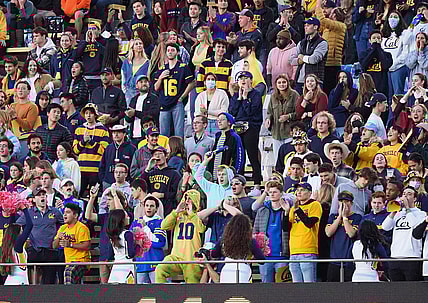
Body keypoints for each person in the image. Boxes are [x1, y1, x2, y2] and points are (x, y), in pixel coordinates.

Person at [155, 190, 206, 283]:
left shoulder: (200, 216)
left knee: (193, 287)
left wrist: (192, 214)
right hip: (176, 257)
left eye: (190, 199)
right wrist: (176, 212)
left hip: (192, 259)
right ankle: (163, 296)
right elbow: (164, 226)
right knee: (160, 269)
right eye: (186, 199)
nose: (187, 202)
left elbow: (201, 229)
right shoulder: (177, 215)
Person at [16, 186, 63, 284]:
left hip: (51, 250)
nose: (42, 197)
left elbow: (65, 224)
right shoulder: (29, 213)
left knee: (49, 282)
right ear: (33, 199)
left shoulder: (55, 212)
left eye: (43, 195)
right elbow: (17, 226)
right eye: (38, 195)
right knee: (33, 281)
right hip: (34, 250)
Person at [86, 186, 130, 284]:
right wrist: (92, 198)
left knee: (120, 287)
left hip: (118, 260)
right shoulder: (105, 216)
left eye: (109, 200)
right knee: (105, 288)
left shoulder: (125, 216)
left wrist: (115, 194)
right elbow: (88, 216)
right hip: (104, 257)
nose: (107, 203)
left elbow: (121, 213)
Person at [383, 186, 425, 281]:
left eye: (409, 194)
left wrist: (407, 208)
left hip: (412, 257)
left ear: (414, 198)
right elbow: (385, 227)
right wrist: (393, 212)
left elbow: (414, 225)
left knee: (411, 290)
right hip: (395, 256)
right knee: (396, 290)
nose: (405, 196)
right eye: (404, 194)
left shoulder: (420, 214)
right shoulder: (399, 213)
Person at [229, 71, 263, 188]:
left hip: (251, 127)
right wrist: (239, 98)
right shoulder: (235, 95)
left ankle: (257, 182)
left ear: (251, 80)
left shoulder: (256, 95)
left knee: (252, 154)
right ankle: (239, 180)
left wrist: (245, 99)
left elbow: (251, 112)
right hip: (238, 128)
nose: (243, 81)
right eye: (241, 78)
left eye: (246, 78)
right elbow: (232, 112)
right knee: (239, 155)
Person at [283, 182, 322, 283]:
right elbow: (285, 228)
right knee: (297, 285)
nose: (299, 192)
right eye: (298, 190)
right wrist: (286, 213)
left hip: (308, 249)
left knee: (309, 284)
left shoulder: (315, 205)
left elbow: (309, 223)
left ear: (309, 193)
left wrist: (297, 210)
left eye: (302, 190)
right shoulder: (293, 208)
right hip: (294, 251)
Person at [155, 43, 195, 138]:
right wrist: (160, 78)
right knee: (163, 134)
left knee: (179, 133)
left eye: (172, 50)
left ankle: (179, 152)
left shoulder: (183, 67)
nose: (170, 52)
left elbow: (192, 83)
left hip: (177, 103)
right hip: (164, 103)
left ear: (177, 52)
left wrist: (182, 97)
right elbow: (155, 87)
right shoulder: (162, 69)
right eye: (168, 50)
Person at [253, 181, 290, 282]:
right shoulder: (262, 211)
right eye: (270, 192)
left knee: (283, 287)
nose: (272, 194)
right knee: (266, 287)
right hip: (265, 256)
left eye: (275, 192)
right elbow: (255, 232)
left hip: (282, 255)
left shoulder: (287, 210)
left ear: (281, 193)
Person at [211, 214, 265, 283]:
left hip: (227, 269)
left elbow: (214, 253)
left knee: (225, 293)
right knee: (242, 293)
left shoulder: (224, 239)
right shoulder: (251, 241)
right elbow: (262, 260)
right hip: (243, 270)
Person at [325, 190, 362, 281]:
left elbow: (351, 234)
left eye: (346, 201)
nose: (344, 204)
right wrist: (339, 217)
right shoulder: (333, 216)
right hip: (334, 260)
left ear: (351, 203)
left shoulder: (357, 217)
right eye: (341, 201)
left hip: (348, 260)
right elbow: (328, 233)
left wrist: (345, 218)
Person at [130, 194, 166, 284]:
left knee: (158, 293)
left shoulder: (161, 222)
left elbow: (159, 243)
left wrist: (145, 228)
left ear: (156, 209)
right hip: (140, 265)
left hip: (155, 264)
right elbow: (130, 242)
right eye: (147, 206)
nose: (149, 208)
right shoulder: (136, 222)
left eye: (152, 206)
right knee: (141, 295)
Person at [314, 0, 346, 95]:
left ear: (335, 16)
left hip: (333, 63)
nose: (329, 14)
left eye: (332, 13)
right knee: (324, 88)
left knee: (331, 89)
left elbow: (323, 21)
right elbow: (319, 24)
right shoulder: (329, 27)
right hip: (325, 61)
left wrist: (318, 6)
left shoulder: (340, 26)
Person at [53, 203, 90, 284]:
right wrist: (58, 237)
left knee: (69, 272)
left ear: (75, 215)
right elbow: (54, 246)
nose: (64, 215)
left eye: (68, 212)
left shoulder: (82, 228)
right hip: (68, 262)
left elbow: (87, 246)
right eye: (64, 212)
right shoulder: (63, 228)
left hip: (81, 261)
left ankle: (69, 295)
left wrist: (70, 245)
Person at [265, 74, 300, 161]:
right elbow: (269, 112)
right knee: (278, 158)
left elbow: (299, 113)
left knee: (290, 158)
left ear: (287, 83)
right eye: (279, 82)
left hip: (289, 132)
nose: (281, 84)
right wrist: (268, 119)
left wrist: (288, 116)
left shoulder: (294, 95)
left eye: (284, 82)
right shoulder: (273, 96)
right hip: (276, 133)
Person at [291, 17, 328, 94]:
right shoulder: (302, 42)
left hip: (315, 81)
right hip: (300, 80)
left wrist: (302, 57)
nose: (305, 27)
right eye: (305, 25)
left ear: (315, 27)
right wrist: (300, 60)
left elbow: (314, 59)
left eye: (308, 25)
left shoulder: (322, 43)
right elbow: (291, 60)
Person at [141, 146, 181, 216]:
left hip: (168, 209)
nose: (157, 156)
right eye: (155, 154)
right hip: (152, 210)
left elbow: (176, 193)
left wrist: (162, 195)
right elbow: (140, 185)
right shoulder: (150, 173)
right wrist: (147, 168)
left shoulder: (174, 173)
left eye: (160, 153)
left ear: (166, 156)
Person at [0, 205, 33, 285]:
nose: (22, 234)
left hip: (11, 282)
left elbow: (11, 226)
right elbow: (30, 225)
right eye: (21, 231)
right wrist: (24, 209)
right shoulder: (17, 245)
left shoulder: (6, 246)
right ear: (17, 234)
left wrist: (13, 211)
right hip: (19, 283)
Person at [7, 81, 40, 159]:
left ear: (28, 91)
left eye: (23, 88)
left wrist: (16, 117)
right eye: (18, 88)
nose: (20, 90)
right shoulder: (12, 105)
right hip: (13, 138)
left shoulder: (32, 106)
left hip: (25, 139)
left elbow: (28, 126)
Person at [98, 125, 137, 190]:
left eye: (118, 132)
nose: (116, 134)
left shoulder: (132, 148)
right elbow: (102, 165)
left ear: (124, 134)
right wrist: (103, 180)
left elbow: (134, 167)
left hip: (125, 184)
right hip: (108, 183)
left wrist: (130, 180)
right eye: (113, 132)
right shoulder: (108, 148)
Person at [125, 75, 160, 146]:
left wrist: (135, 112)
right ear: (137, 85)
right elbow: (129, 119)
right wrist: (128, 115)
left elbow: (153, 114)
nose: (144, 83)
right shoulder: (133, 100)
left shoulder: (154, 98)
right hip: (134, 135)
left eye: (146, 82)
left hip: (147, 136)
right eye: (141, 82)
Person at [381, 11, 409, 97]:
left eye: (395, 17)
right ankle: (390, 111)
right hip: (386, 68)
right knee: (388, 95)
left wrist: (394, 63)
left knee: (397, 95)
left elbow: (405, 52)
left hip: (399, 67)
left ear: (400, 20)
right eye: (391, 16)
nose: (393, 19)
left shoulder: (404, 33)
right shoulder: (384, 35)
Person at [105, 209, 136, 284]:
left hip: (116, 268)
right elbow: (130, 254)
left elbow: (110, 255)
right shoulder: (127, 234)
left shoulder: (112, 236)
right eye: (126, 216)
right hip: (127, 267)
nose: (128, 217)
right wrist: (138, 245)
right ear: (121, 220)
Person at [360, 30, 393, 97]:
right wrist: (373, 50)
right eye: (374, 38)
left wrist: (378, 49)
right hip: (368, 85)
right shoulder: (364, 54)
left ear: (381, 40)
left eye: (378, 38)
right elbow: (364, 64)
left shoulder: (387, 54)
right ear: (369, 40)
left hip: (382, 86)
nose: (376, 40)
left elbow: (386, 65)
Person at [75, 23, 105, 92]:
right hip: (85, 76)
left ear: (99, 31)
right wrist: (86, 42)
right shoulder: (83, 43)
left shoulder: (104, 41)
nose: (91, 31)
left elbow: (105, 54)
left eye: (94, 29)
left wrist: (95, 42)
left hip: (98, 77)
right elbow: (77, 55)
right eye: (89, 29)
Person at [328, 71, 359, 136]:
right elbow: (331, 107)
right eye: (340, 77)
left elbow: (348, 107)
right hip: (334, 122)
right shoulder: (334, 91)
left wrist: (336, 109)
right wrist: (339, 88)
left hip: (345, 122)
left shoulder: (354, 91)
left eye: (344, 77)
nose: (342, 79)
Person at [121, 38, 150, 105]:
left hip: (142, 91)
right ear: (132, 47)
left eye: (140, 43)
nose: (139, 45)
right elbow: (123, 76)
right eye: (136, 44)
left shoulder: (147, 62)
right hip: (129, 91)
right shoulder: (127, 62)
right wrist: (124, 90)